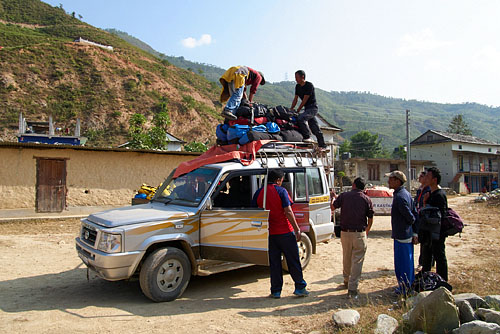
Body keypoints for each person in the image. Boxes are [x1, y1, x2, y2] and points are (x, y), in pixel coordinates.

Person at [252, 169, 309, 298]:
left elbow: (255, 211)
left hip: (271, 233)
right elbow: (288, 211)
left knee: (275, 263)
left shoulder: (259, 193)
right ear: (278, 180)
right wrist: (297, 229)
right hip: (285, 232)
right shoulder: (281, 191)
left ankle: (276, 291)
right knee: (293, 261)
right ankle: (300, 287)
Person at [331, 177, 374, 298]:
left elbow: (333, 207)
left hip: (345, 232)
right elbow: (370, 219)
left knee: (346, 256)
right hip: (359, 232)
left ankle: (346, 280)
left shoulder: (344, 196)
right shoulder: (367, 199)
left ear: (354, 185)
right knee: (357, 260)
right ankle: (353, 287)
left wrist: (334, 197)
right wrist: (366, 231)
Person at [386, 170, 417, 295]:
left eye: (391, 179)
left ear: (397, 181)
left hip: (402, 235)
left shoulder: (400, 197)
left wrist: (411, 226)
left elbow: (411, 217)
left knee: (403, 264)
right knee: (407, 263)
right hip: (405, 234)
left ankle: (405, 288)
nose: (388, 181)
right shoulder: (406, 194)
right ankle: (407, 286)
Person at [421, 167, 449, 281]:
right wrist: (424, 202)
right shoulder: (430, 194)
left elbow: (440, 216)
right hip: (429, 231)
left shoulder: (440, 195)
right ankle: (426, 280)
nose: (425, 178)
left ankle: (442, 281)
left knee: (439, 257)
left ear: (435, 180)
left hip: (437, 232)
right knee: (426, 257)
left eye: (428, 176)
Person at [290, 70, 326, 150]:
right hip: (307, 109)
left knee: (301, 118)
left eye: (297, 77)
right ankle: (322, 145)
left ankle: (307, 137)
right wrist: (291, 109)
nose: (295, 79)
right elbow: (295, 99)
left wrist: (298, 110)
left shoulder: (309, 85)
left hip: (312, 108)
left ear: (302, 77)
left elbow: (305, 99)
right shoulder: (297, 86)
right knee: (314, 127)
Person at [414, 170, 431, 269]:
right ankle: (422, 261)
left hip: (426, 216)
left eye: (421, 176)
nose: (419, 178)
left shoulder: (428, 189)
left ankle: (425, 262)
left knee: (425, 240)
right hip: (419, 215)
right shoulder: (420, 189)